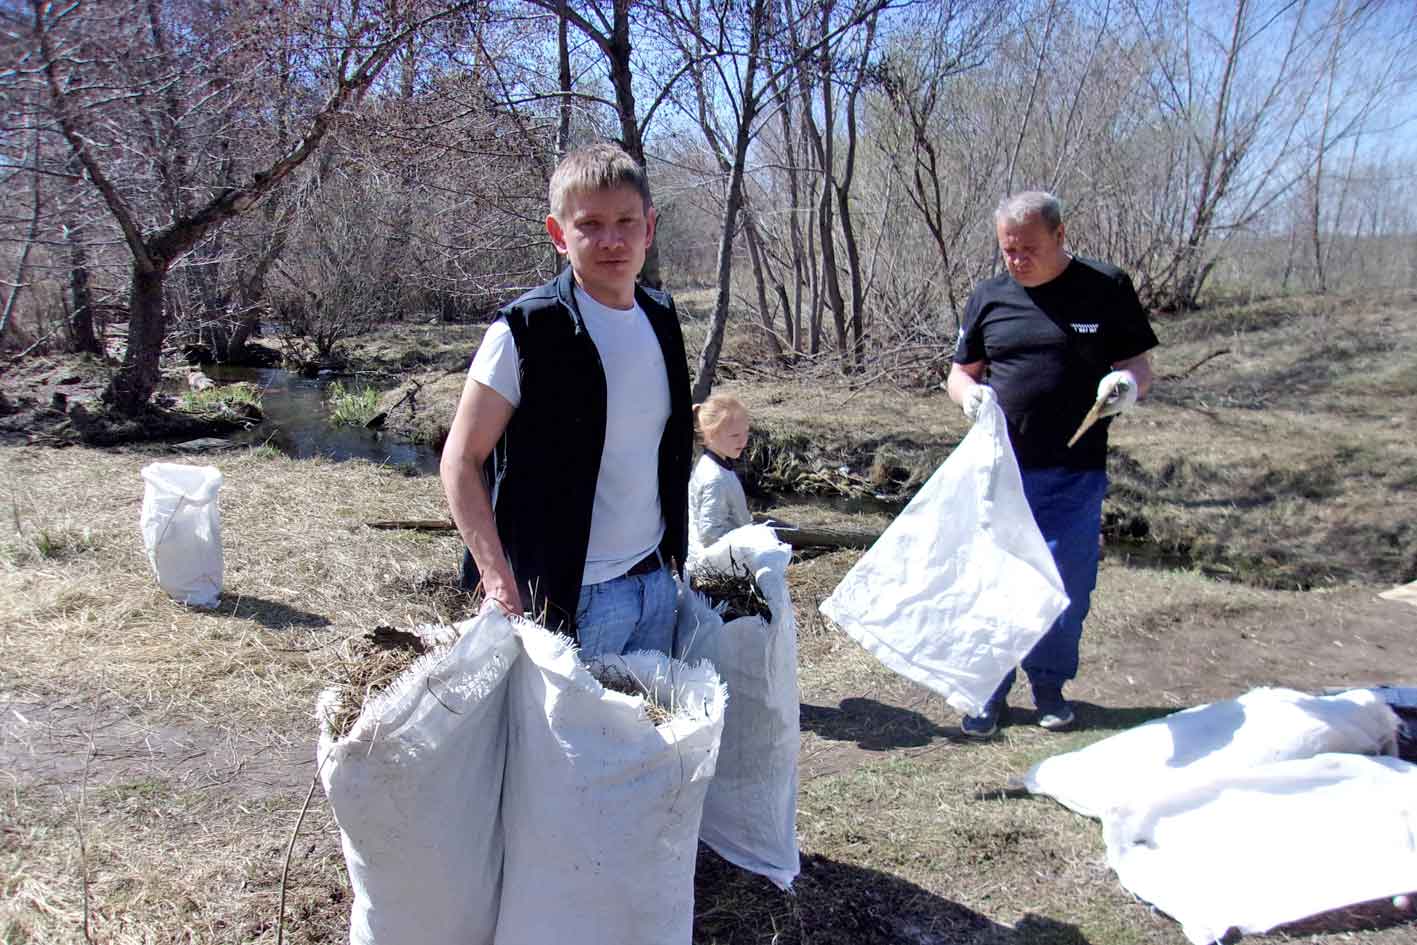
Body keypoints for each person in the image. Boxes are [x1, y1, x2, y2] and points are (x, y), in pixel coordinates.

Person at [440, 142, 693, 659]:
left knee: (649, 739)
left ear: (649, 227)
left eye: (625, 221)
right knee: (564, 743)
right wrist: (496, 578)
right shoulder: (526, 331)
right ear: (559, 235)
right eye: (589, 225)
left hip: (654, 583)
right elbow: (460, 461)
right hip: (567, 597)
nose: (611, 240)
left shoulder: (662, 319)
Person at [946, 190, 1158, 738]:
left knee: (1065, 587)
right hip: (1002, 472)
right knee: (995, 583)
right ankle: (987, 692)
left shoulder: (1104, 287)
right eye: (1008, 250)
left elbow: (1138, 362)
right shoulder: (990, 297)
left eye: (1027, 249)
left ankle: (1048, 685)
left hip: (1075, 472)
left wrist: (1128, 384)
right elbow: (961, 371)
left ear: (1060, 236)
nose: (1016, 260)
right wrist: (968, 395)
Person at [688, 393, 752, 565]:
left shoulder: (717, 462)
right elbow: (710, 535)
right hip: (717, 566)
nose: (743, 440)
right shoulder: (714, 478)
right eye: (734, 436)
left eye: (746, 432)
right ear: (711, 435)